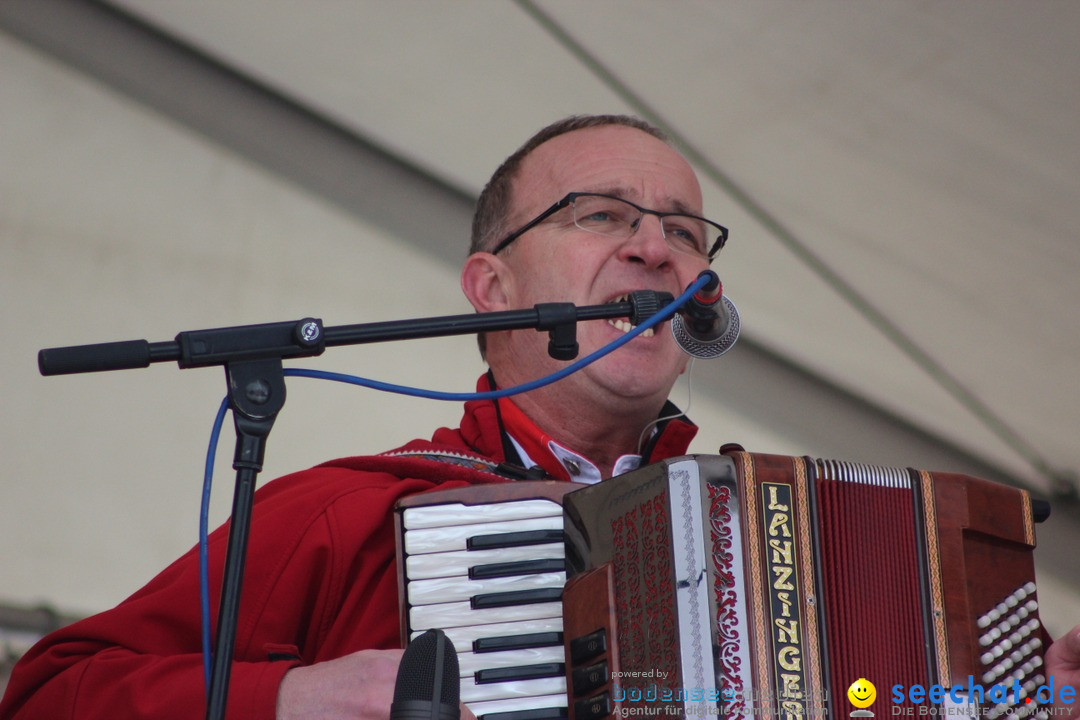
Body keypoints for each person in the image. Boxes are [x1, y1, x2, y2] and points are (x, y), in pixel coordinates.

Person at [0, 115, 1076, 719]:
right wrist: (291, 701)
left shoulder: (802, 533)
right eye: (603, 215)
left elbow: (886, 695)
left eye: (686, 233)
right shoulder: (342, 515)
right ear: (492, 287)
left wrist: (1028, 705)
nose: (657, 248)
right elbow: (47, 696)